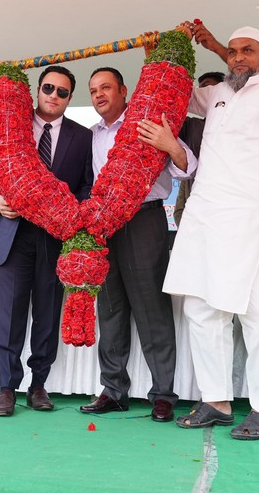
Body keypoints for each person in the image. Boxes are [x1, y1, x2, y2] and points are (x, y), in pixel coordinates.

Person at [164, 25, 259, 440]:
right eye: (232, 51)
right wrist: (164, 55)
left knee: (257, 312)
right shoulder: (217, 93)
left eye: (248, 50)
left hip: (254, 216)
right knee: (200, 309)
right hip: (204, 214)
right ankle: (216, 400)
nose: (239, 57)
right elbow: (177, 94)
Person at [79, 67, 197, 423]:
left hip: (144, 220)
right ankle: (113, 390)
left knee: (151, 308)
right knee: (110, 310)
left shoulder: (146, 122)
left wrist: (170, 144)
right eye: (93, 90)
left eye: (106, 88)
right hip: (103, 225)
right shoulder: (91, 135)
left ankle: (162, 394)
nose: (99, 95)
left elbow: (187, 167)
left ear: (124, 90)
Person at [0, 66, 93, 417]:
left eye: (62, 92)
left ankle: (38, 385)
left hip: (54, 238)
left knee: (47, 315)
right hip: (13, 233)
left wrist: (72, 215)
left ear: (69, 98)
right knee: (10, 316)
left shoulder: (83, 136)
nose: (53, 96)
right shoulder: (10, 127)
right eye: (48, 88)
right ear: (37, 90)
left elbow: (86, 186)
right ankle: (6, 388)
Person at [173, 71, 223, 227]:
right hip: (197, 215)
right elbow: (179, 210)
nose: (202, 94)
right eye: (200, 89)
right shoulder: (193, 127)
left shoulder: (242, 127)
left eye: (208, 88)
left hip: (228, 212)